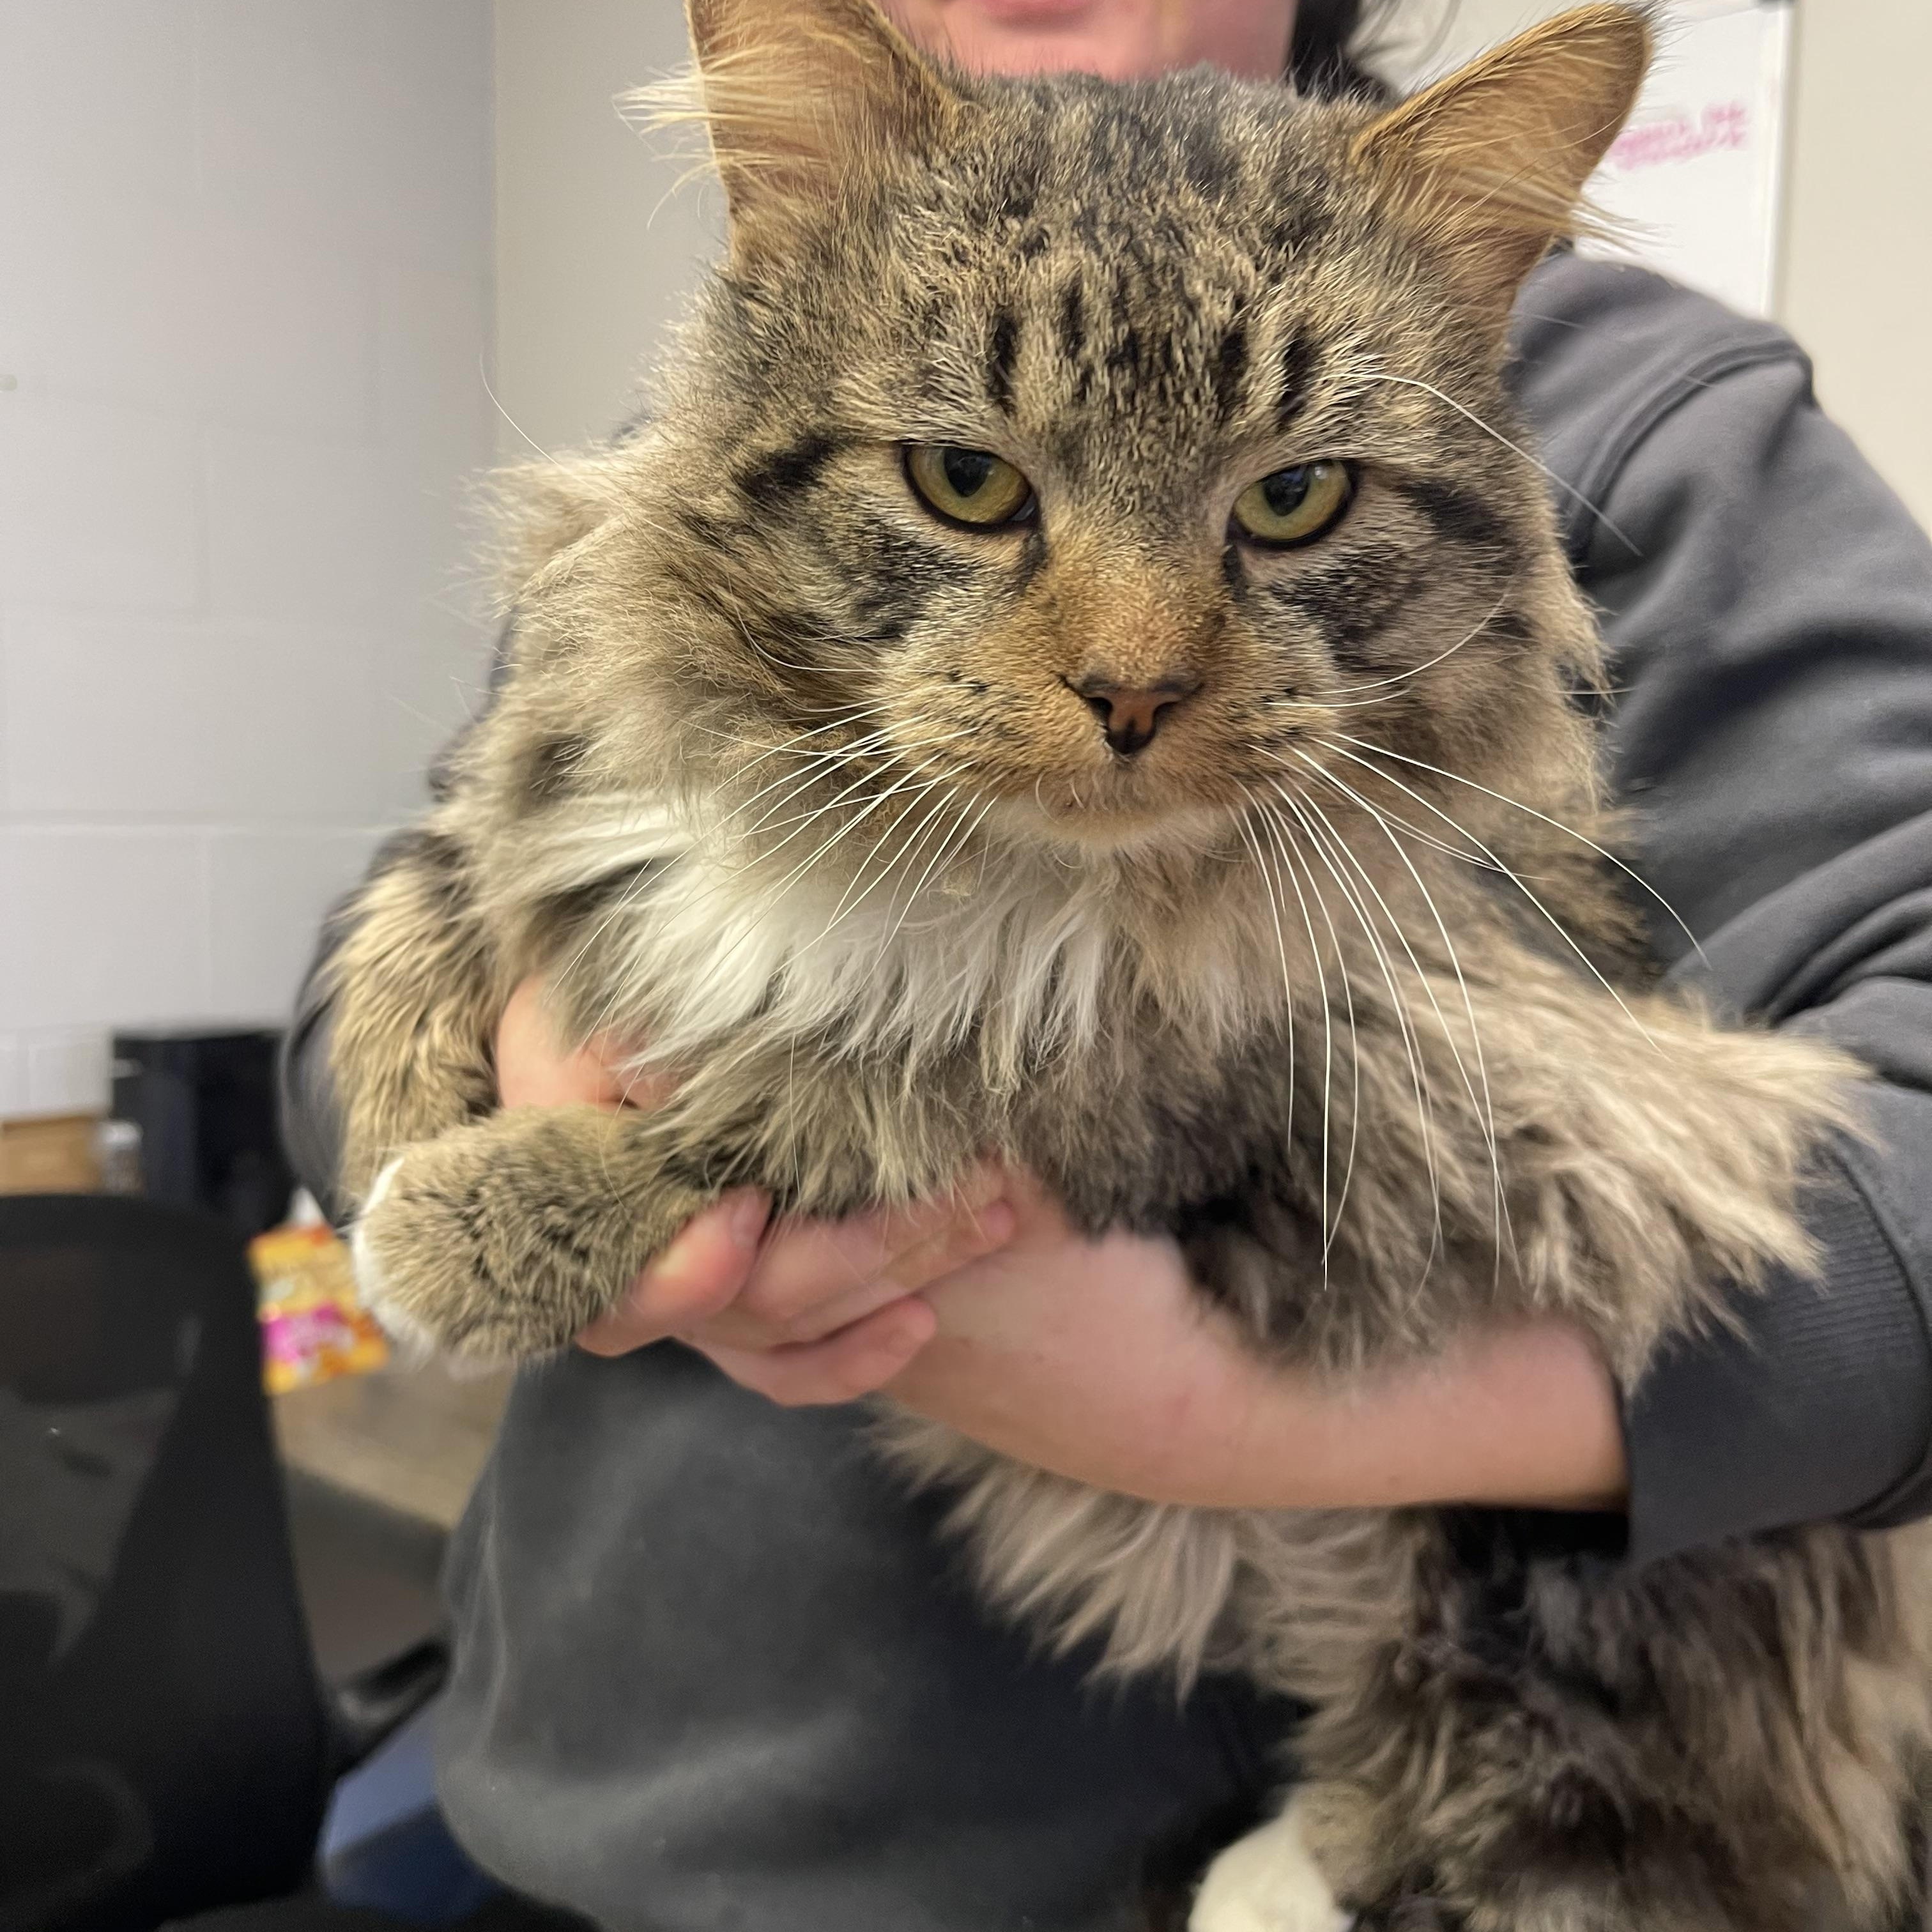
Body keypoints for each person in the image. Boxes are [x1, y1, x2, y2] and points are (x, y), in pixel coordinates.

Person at [280, 1, 1932, 1926]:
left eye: (1291, 498)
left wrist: (1228, 1413)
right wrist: (509, 1059)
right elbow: (383, 979)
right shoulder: (756, 424)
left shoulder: (1656, 412)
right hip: (542, 1829)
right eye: (976, 484)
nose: (1134, 662)